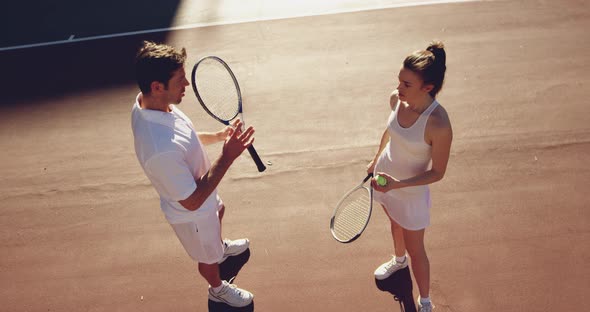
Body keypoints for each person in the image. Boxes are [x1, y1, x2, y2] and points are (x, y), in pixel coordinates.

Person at [131, 41, 255, 307]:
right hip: (194, 211)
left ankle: (219, 249)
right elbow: (192, 202)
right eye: (180, 80)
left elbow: (184, 140)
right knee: (207, 258)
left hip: (201, 191)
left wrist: (220, 137)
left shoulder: (149, 105)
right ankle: (217, 288)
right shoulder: (159, 149)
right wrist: (229, 155)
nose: (186, 84)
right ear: (157, 86)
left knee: (220, 211)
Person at [367, 41, 452, 312]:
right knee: (395, 225)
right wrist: (375, 159)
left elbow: (438, 172)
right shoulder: (396, 100)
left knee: (417, 250)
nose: (398, 89)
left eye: (406, 84)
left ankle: (425, 302)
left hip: (411, 191)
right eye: (399, 81)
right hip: (385, 177)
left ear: (427, 88)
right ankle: (397, 260)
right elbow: (390, 130)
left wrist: (399, 185)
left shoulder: (438, 124)